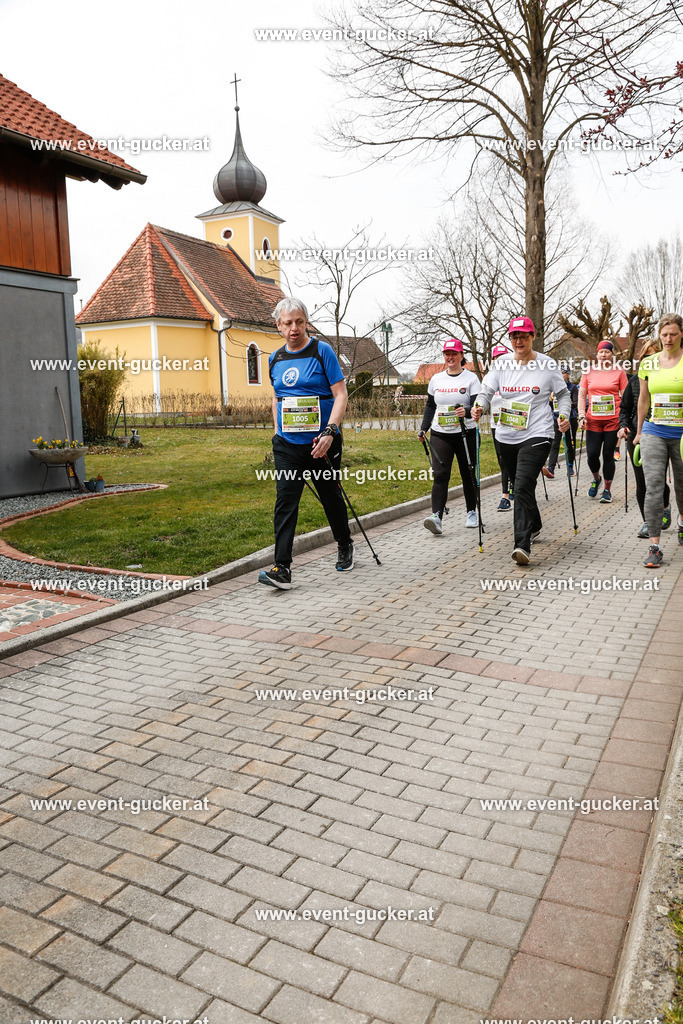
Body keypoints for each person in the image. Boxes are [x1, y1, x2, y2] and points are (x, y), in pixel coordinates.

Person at [258, 297, 353, 590]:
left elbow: (341, 395)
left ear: (306, 322)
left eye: (299, 322)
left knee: (330, 496)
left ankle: (344, 543)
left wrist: (329, 431)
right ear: (279, 326)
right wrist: (277, 432)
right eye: (288, 323)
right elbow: (276, 397)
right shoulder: (275, 359)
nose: (294, 328)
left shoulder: (321, 351)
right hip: (287, 445)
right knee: (286, 502)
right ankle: (282, 567)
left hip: (322, 441)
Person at [472, 316, 571, 564]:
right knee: (521, 486)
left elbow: (562, 394)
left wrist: (565, 414)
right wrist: (479, 407)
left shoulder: (547, 365)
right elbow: (486, 392)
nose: (519, 341)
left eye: (524, 336)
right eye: (515, 337)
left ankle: (522, 545)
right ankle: (534, 524)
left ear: (533, 337)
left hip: (538, 433)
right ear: (510, 339)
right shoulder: (501, 364)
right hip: (506, 435)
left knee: (523, 486)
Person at [633, 313, 683, 568]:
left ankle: (682, 521)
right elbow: (643, 399)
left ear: (681, 333)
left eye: (673, 333)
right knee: (653, 486)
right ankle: (655, 546)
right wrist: (640, 431)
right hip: (655, 431)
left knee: (681, 487)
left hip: (682, 434)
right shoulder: (649, 363)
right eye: (664, 334)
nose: (668, 339)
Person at [418, 338, 480, 534]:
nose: (450, 357)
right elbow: (430, 406)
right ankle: (436, 517)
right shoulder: (437, 379)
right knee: (440, 474)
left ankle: (471, 511)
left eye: (454, 354)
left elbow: (478, 405)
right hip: (441, 433)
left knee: (468, 473)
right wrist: (423, 428)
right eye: (447, 354)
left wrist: (467, 410)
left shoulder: (471, 379)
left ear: (462, 356)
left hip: (465, 432)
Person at [618, 338, 671, 538]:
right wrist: (623, 426)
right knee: (642, 481)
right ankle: (648, 522)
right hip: (636, 436)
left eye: (654, 355)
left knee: (657, 480)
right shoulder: (634, 381)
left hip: (663, 433)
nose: (650, 359)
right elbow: (624, 409)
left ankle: (665, 506)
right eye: (646, 356)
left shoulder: (670, 377)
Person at [578, 341, 628, 504]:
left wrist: (624, 421)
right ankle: (596, 478)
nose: (604, 355)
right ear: (597, 354)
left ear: (612, 354)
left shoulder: (619, 372)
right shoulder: (588, 371)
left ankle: (607, 489)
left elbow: (625, 396)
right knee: (592, 455)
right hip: (593, 421)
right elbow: (581, 395)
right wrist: (581, 416)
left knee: (608, 455)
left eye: (607, 352)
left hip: (612, 421)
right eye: (601, 352)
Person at [543, 365, 578, 479]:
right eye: (560, 372)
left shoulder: (572, 387)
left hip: (569, 419)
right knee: (554, 444)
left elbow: (575, 403)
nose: (561, 375)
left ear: (568, 374)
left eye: (564, 373)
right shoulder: (552, 388)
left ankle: (570, 466)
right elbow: (548, 406)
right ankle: (551, 468)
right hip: (556, 419)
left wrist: (566, 405)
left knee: (569, 443)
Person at [490, 344, 514, 510]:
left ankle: (507, 493)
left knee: (511, 459)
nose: (500, 361)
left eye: (503, 357)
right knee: (502, 460)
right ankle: (507, 491)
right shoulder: (490, 378)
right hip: (495, 425)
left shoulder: (515, 376)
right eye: (497, 358)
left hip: (513, 423)